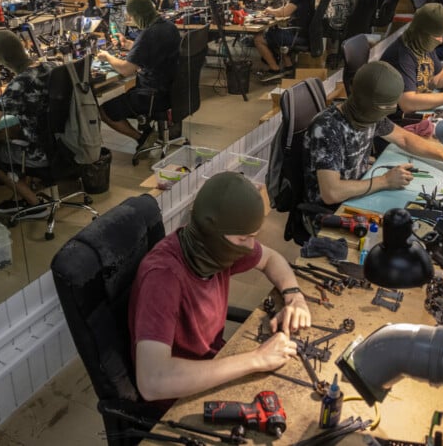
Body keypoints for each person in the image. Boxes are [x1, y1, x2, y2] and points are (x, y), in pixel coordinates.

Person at [129, 171, 311, 404]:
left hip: (212, 364)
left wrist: (294, 296)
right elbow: (153, 381)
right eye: (243, 238)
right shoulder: (163, 278)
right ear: (212, 230)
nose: (250, 245)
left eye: (253, 236)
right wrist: (256, 359)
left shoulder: (212, 250)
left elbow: (271, 258)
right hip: (177, 396)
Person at [302, 62, 443, 208]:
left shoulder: (368, 114)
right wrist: (385, 181)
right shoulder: (326, 128)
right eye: (384, 109)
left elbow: (404, 138)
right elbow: (331, 193)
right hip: (332, 210)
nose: (388, 113)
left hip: (360, 188)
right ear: (370, 104)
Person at [97, 0, 180, 151]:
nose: (131, 20)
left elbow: (126, 70)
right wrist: (129, 44)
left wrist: (107, 57)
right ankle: (146, 133)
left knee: (103, 110)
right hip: (171, 92)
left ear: (139, 14)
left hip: (151, 96)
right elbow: (152, 48)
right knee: (127, 93)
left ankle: (142, 138)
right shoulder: (169, 27)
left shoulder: (148, 35)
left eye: (132, 16)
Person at [0, 30, 51, 217]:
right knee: (16, 137)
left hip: (41, 154)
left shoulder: (19, 85)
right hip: (65, 144)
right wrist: (8, 91)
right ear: (22, 46)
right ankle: (25, 194)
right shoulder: (51, 67)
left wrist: (2, 98)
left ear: (1, 60)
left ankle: (34, 204)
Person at [379, 3, 443, 117]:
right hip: (400, 119)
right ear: (423, 33)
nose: (441, 41)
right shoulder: (402, 56)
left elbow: (438, 78)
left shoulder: (421, 44)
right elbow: (408, 104)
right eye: (437, 36)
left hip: (418, 109)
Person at [254, 0, 314, 82]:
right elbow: (290, 8)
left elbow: (284, 13)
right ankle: (288, 66)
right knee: (274, 31)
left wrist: (269, 10)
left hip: (298, 34)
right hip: (304, 32)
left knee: (259, 38)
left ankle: (274, 69)